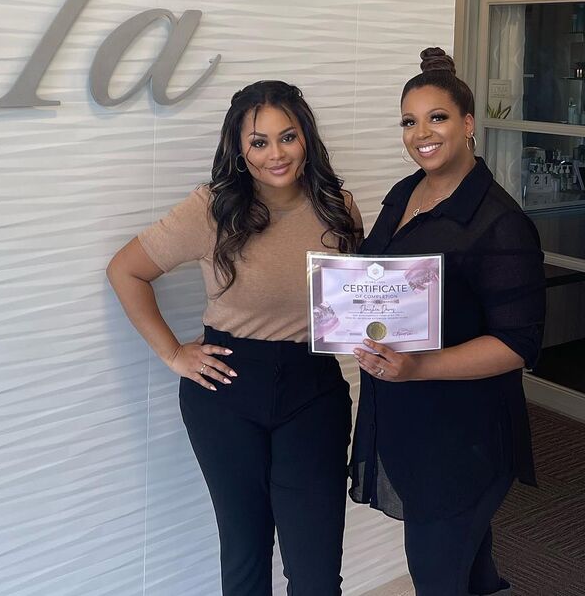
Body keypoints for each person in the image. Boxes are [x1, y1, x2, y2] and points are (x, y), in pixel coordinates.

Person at [106, 80, 362, 595]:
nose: (276, 154)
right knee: (245, 555)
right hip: (226, 391)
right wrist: (173, 354)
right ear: (239, 149)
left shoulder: (339, 207)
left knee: (316, 571)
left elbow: (353, 301)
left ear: (306, 138)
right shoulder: (212, 208)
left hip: (313, 390)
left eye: (287, 137)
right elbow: (125, 270)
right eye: (259, 142)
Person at [348, 48, 546, 596]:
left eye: (436, 118)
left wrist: (418, 366)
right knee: (470, 568)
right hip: (408, 416)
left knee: (436, 573)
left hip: (463, 431)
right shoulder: (405, 193)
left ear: (468, 124)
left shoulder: (500, 222)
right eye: (408, 122)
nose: (421, 134)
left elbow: (518, 343)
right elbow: (378, 275)